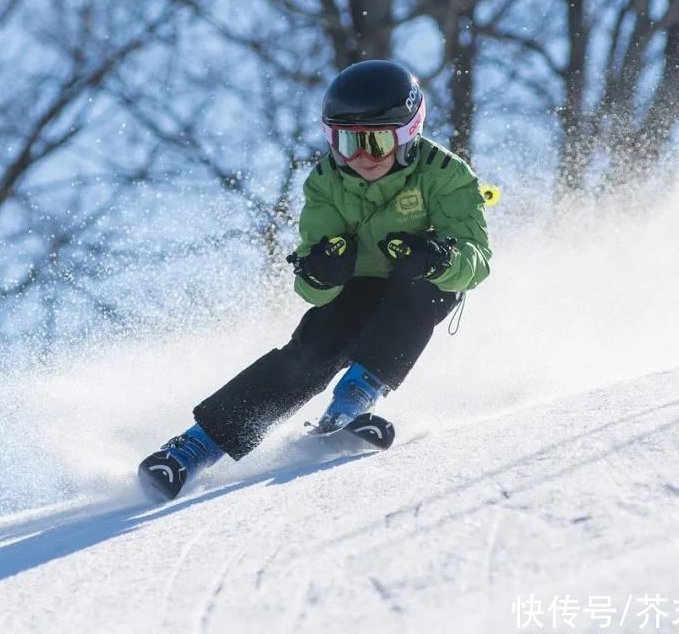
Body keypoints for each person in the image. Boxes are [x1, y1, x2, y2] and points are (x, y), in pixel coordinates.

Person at [138, 59, 492, 500]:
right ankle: (193, 449)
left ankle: (351, 403)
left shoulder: (445, 174)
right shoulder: (326, 182)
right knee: (312, 350)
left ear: (407, 135)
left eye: (376, 142)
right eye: (346, 143)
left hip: (419, 281)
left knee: (424, 291)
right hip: (357, 286)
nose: (360, 157)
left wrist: (439, 257)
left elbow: (477, 261)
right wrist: (321, 271)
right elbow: (310, 285)